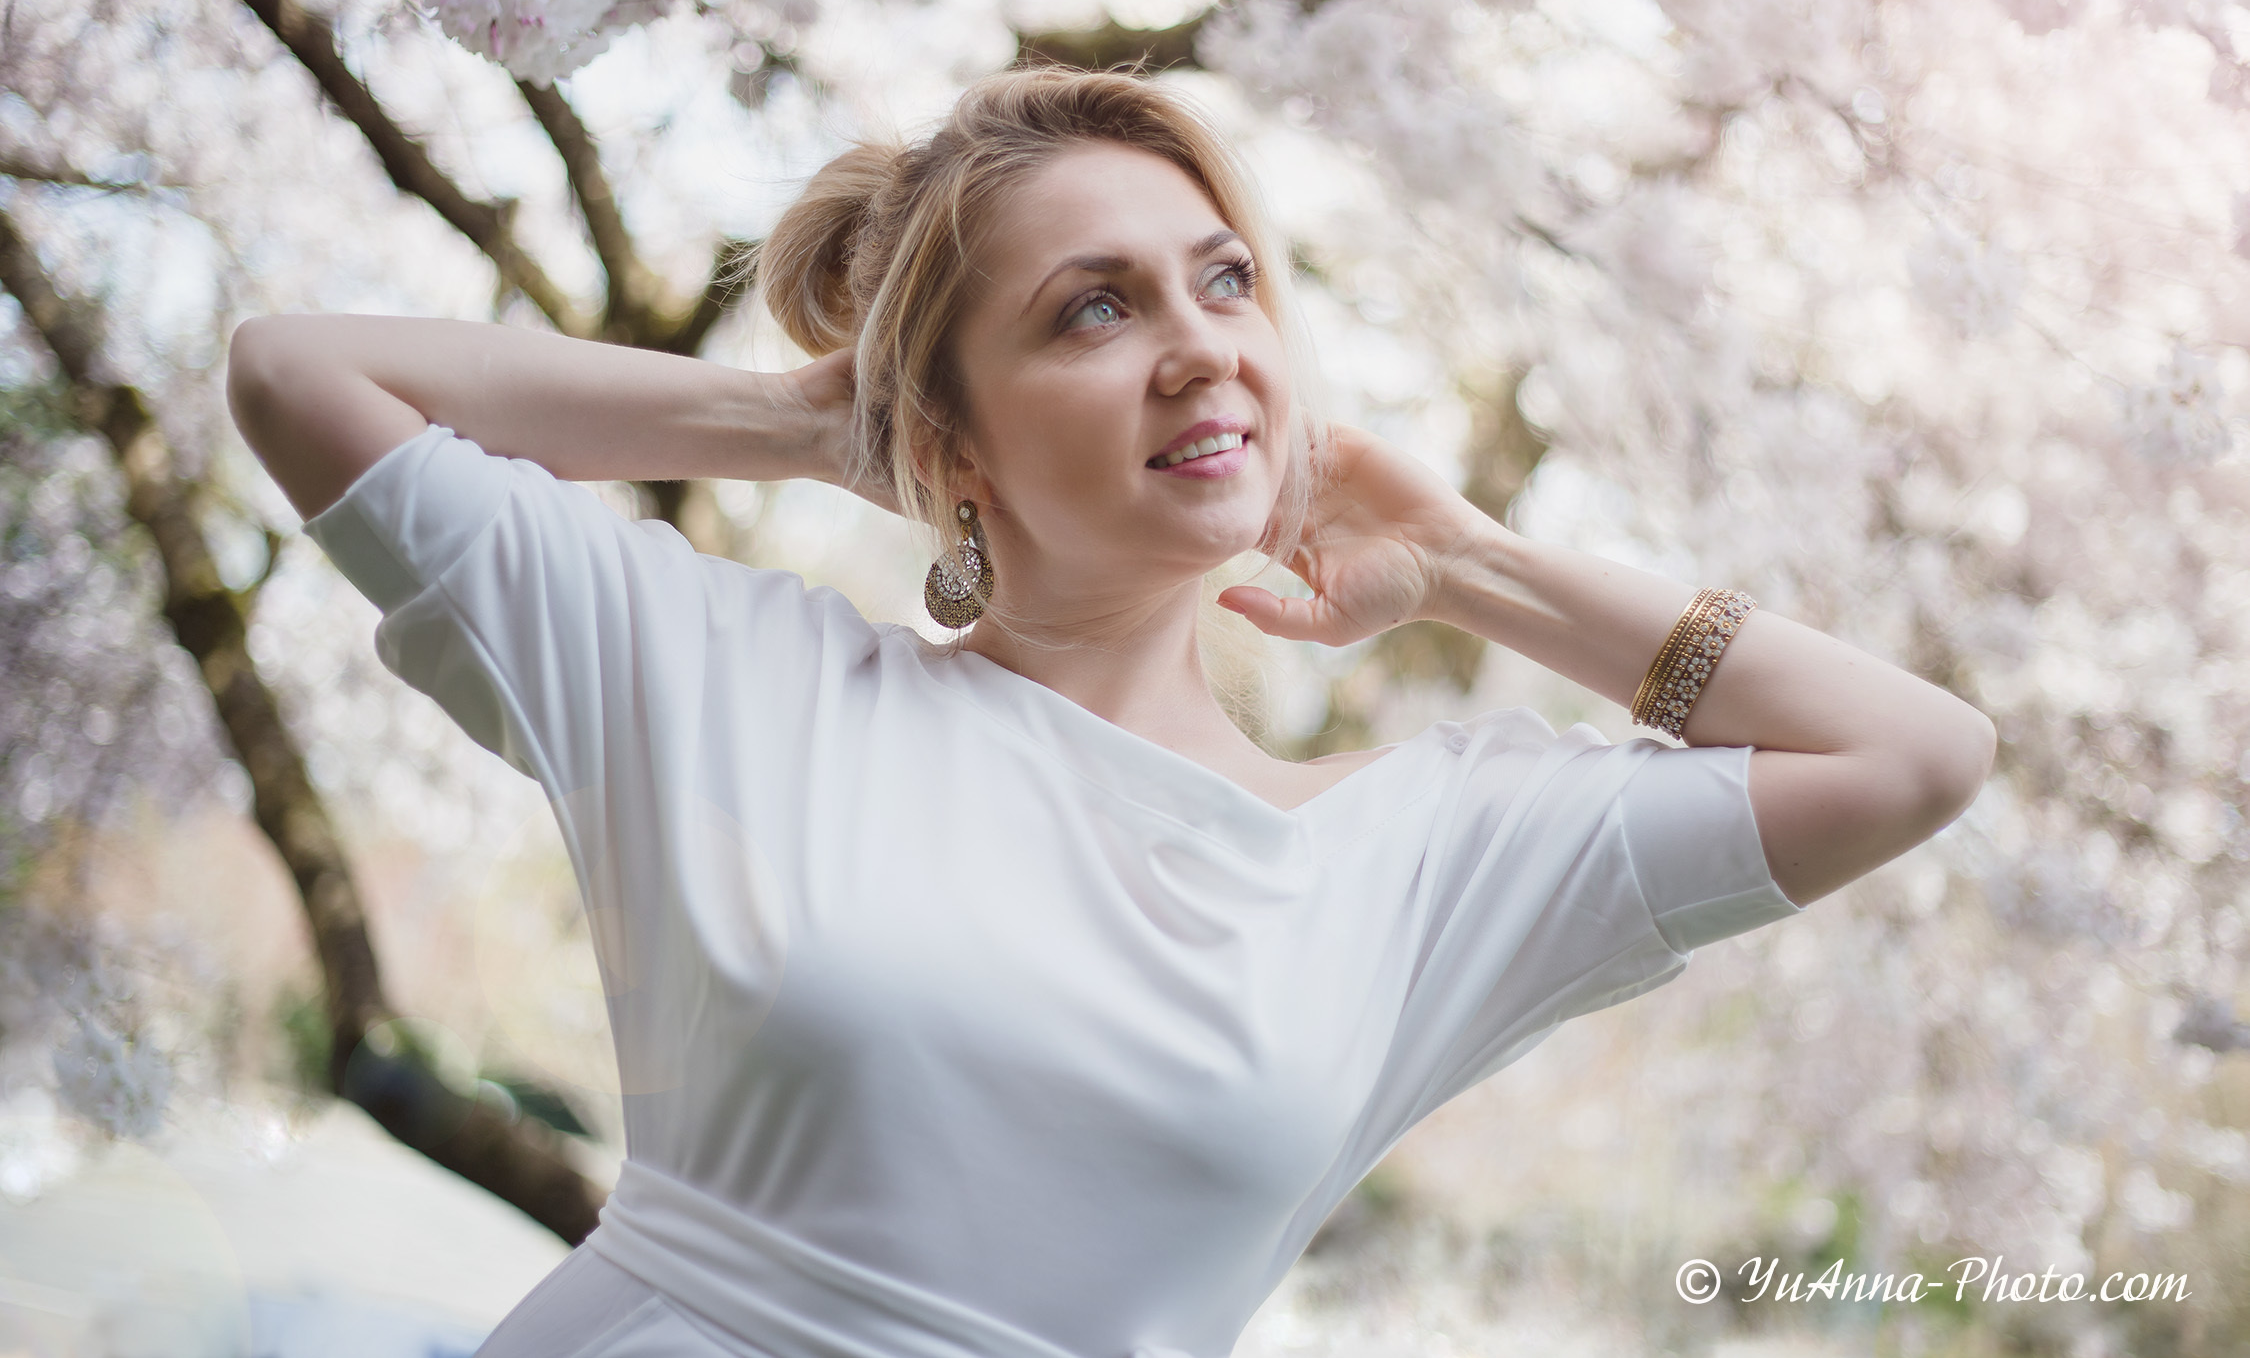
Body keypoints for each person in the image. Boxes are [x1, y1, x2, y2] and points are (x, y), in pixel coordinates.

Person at [226, 66, 1996, 1358]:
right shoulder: (731, 686)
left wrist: (1465, 565)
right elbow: (305, 374)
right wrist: (808, 425)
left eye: (1223, 281)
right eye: (1093, 309)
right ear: (952, 437)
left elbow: (1912, 755)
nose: (1201, 342)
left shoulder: (1422, 857)